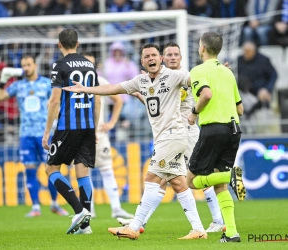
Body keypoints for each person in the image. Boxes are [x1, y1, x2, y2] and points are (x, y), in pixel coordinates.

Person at [64, 43, 209, 240]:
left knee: (151, 179)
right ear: (142, 61)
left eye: (154, 55)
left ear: (161, 59)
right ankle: (198, 229)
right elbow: (113, 88)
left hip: (174, 134)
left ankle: (134, 226)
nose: (151, 59)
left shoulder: (174, 76)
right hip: (164, 138)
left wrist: (216, 73)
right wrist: (86, 89)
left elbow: (197, 79)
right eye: (147, 56)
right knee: (178, 183)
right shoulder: (140, 81)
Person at [118, 42, 225, 233]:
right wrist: (141, 93)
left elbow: (202, 93)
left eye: (176, 54)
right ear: (163, 58)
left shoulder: (185, 77)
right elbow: (156, 106)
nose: (173, 57)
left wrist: (215, 77)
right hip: (170, 134)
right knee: (168, 180)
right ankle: (140, 223)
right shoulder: (159, 78)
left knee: (197, 174)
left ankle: (217, 218)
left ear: (181, 57)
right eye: (169, 54)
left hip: (188, 132)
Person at [186, 31, 245, 243]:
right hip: (234, 129)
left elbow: (206, 94)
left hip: (214, 129)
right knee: (218, 186)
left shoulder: (198, 70)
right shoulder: (228, 73)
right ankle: (232, 233)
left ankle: (229, 177)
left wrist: (193, 112)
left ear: (202, 47)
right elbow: (241, 109)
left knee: (190, 181)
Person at [0, 55, 69, 217]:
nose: (26, 68)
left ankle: (55, 204)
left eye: (28, 64)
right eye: (23, 65)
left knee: (51, 169)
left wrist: (60, 127)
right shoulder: (18, 85)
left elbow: (57, 103)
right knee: (30, 170)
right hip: (25, 134)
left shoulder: (47, 83)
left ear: (35, 65)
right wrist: (3, 80)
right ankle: (35, 207)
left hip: (45, 133)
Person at [42, 28, 101, 235]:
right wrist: (95, 126)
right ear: (78, 43)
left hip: (68, 125)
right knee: (82, 171)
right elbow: (97, 97)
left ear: (59, 45)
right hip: (88, 125)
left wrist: (47, 131)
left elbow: (55, 100)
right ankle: (85, 226)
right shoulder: (89, 65)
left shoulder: (59, 65)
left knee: (51, 169)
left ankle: (79, 212)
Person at [81, 51, 134, 219]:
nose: (90, 67)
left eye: (92, 63)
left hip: (99, 135)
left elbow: (118, 100)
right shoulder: (74, 83)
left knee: (107, 170)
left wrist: (111, 123)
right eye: (86, 63)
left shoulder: (100, 81)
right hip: (80, 136)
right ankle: (88, 210)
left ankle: (116, 208)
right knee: (83, 172)